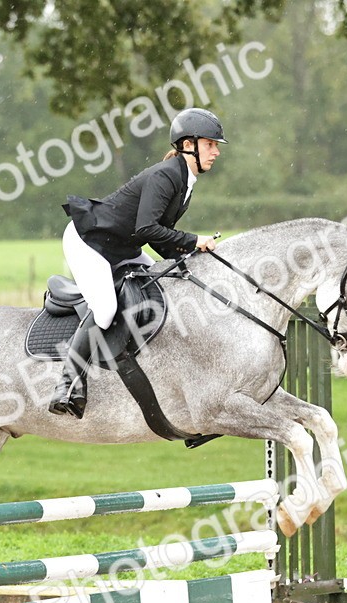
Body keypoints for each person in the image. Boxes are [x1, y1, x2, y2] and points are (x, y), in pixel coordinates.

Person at [49, 107, 227, 418]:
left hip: (123, 246)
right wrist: (193, 240)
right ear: (188, 145)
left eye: (216, 145)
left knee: (164, 285)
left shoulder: (184, 180)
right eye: (210, 144)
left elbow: (158, 237)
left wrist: (184, 262)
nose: (216, 152)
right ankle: (67, 384)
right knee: (105, 310)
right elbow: (147, 229)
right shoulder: (166, 175)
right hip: (89, 241)